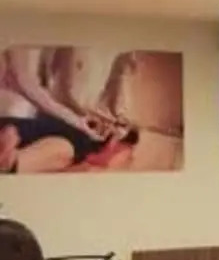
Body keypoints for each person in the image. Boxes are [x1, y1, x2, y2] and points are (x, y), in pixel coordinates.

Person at [0, 48, 139, 173]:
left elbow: (62, 95)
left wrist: (95, 120)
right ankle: (9, 160)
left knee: (66, 148)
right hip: (21, 115)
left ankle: (12, 162)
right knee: (74, 141)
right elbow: (25, 82)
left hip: (43, 121)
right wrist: (78, 121)